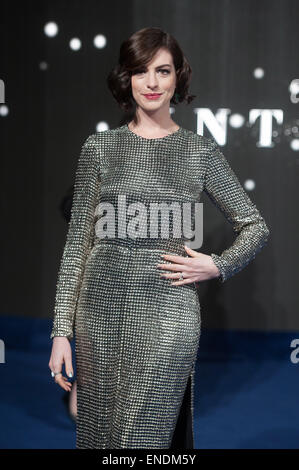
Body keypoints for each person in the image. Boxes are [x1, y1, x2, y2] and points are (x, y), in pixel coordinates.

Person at [48, 27, 270, 449]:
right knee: (101, 440)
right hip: (98, 316)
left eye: (162, 71)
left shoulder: (198, 151)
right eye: (140, 71)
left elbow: (255, 226)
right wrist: (62, 330)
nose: (151, 82)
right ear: (125, 78)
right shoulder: (98, 148)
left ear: (177, 78)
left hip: (169, 316)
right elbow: (77, 245)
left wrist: (216, 264)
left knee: (142, 442)